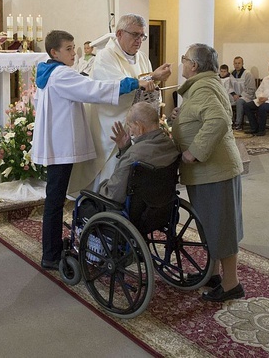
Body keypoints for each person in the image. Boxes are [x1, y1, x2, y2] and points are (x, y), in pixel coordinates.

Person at [31, 30, 155, 270]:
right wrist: (133, 82)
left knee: (54, 198)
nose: (73, 52)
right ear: (54, 52)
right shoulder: (61, 75)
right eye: (68, 48)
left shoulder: (50, 72)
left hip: (57, 144)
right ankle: (51, 255)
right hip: (61, 147)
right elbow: (94, 89)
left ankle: (52, 249)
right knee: (54, 201)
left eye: (74, 47)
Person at [67, 13, 172, 194]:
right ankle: (104, 200)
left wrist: (154, 84)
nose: (139, 40)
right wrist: (152, 77)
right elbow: (113, 87)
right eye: (135, 35)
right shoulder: (105, 57)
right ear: (119, 34)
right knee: (111, 167)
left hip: (138, 124)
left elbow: (147, 86)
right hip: (111, 121)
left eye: (142, 36)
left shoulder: (142, 58)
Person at [172, 43, 244, 302]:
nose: (182, 63)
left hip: (213, 170)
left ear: (194, 65)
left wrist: (194, 152)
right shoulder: (205, 85)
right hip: (212, 171)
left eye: (184, 59)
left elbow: (218, 120)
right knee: (212, 226)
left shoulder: (202, 87)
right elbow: (208, 115)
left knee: (222, 227)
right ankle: (213, 275)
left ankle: (231, 283)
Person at [97, 102, 179, 205]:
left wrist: (101, 186)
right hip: (161, 209)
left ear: (139, 126)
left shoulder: (134, 154)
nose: (130, 133)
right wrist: (125, 148)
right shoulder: (170, 145)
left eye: (130, 126)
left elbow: (113, 195)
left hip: (133, 213)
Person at [230, 56, 256, 130]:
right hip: (235, 96)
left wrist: (240, 95)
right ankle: (230, 122)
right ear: (233, 64)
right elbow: (229, 87)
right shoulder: (232, 74)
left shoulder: (247, 74)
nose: (237, 65)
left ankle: (238, 124)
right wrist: (234, 94)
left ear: (242, 64)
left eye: (239, 63)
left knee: (239, 101)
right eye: (235, 63)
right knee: (225, 99)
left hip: (246, 96)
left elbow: (251, 89)